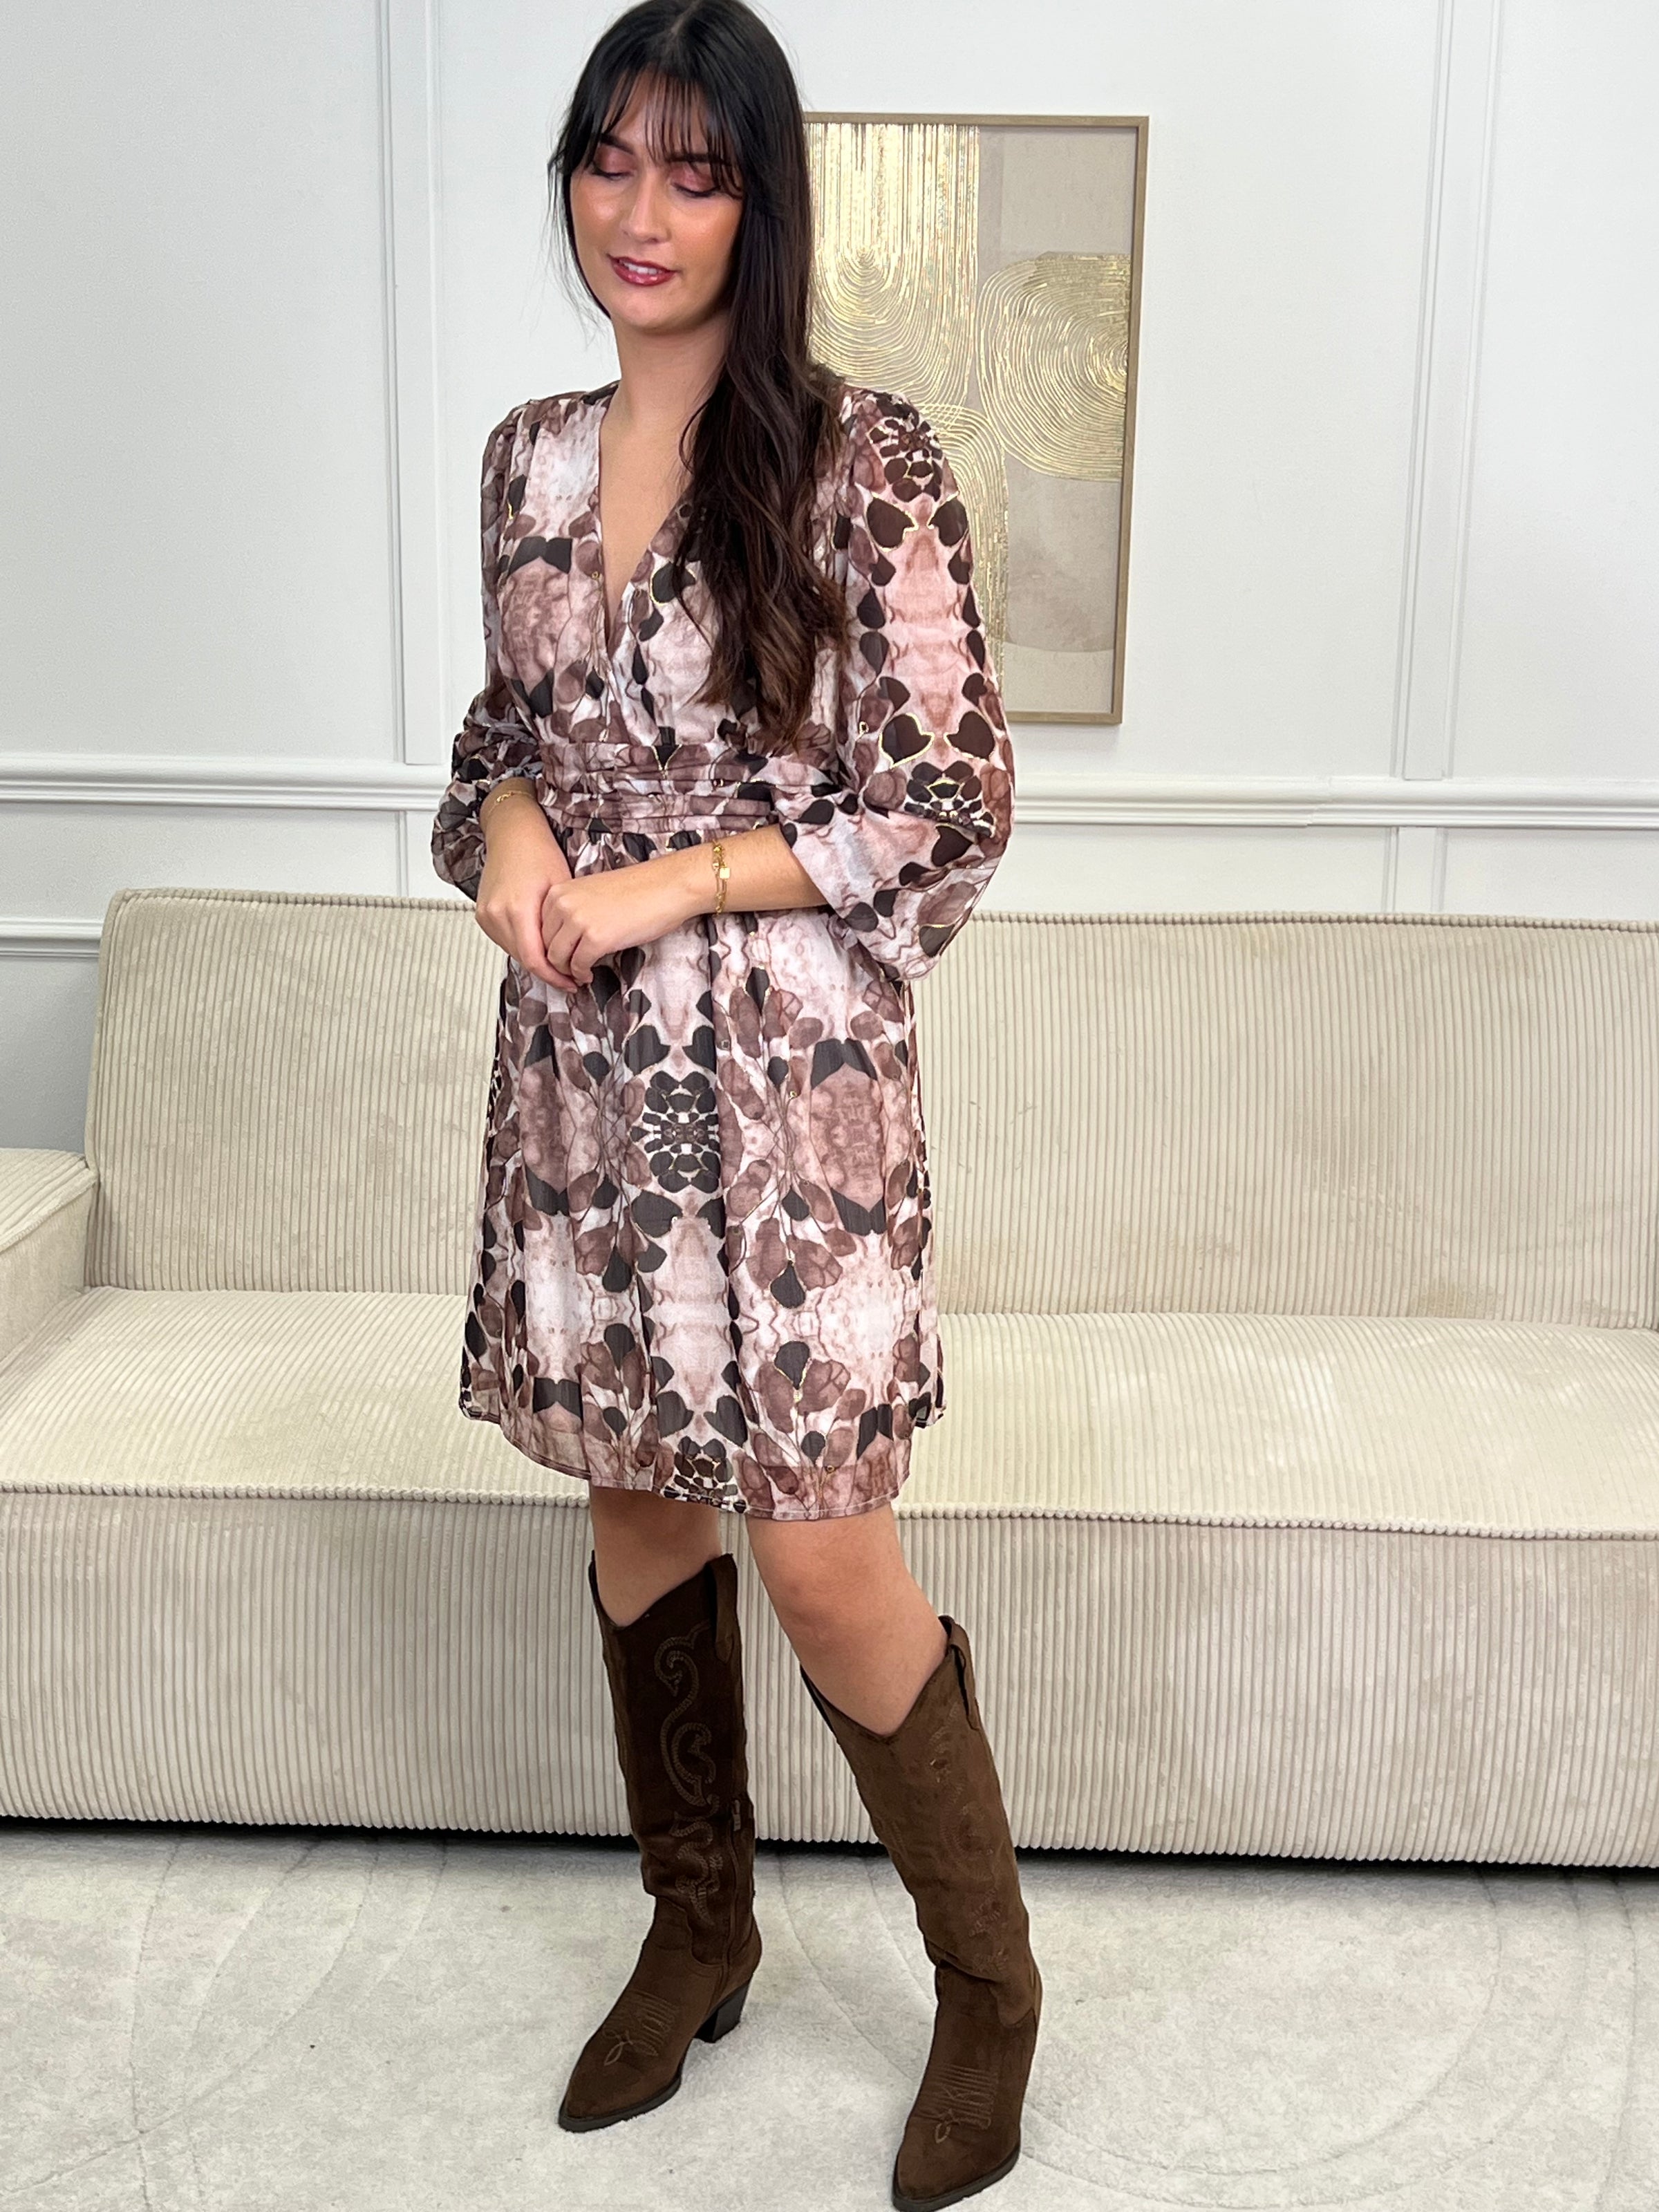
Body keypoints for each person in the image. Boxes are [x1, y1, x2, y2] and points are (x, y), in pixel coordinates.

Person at [429, 3, 1035, 2204]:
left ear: (761, 203)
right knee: (635, 1509)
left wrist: (671, 877)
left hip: (796, 1101)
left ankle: (988, 1992)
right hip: (586, 1086)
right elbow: (501, 748)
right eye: (612, 159)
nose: (643, 210)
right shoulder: (524, 462)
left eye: (696, 170)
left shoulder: (863, 460)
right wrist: (513, 840)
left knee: (825, 1550)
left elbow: (950, 798)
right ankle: (702, 1924)